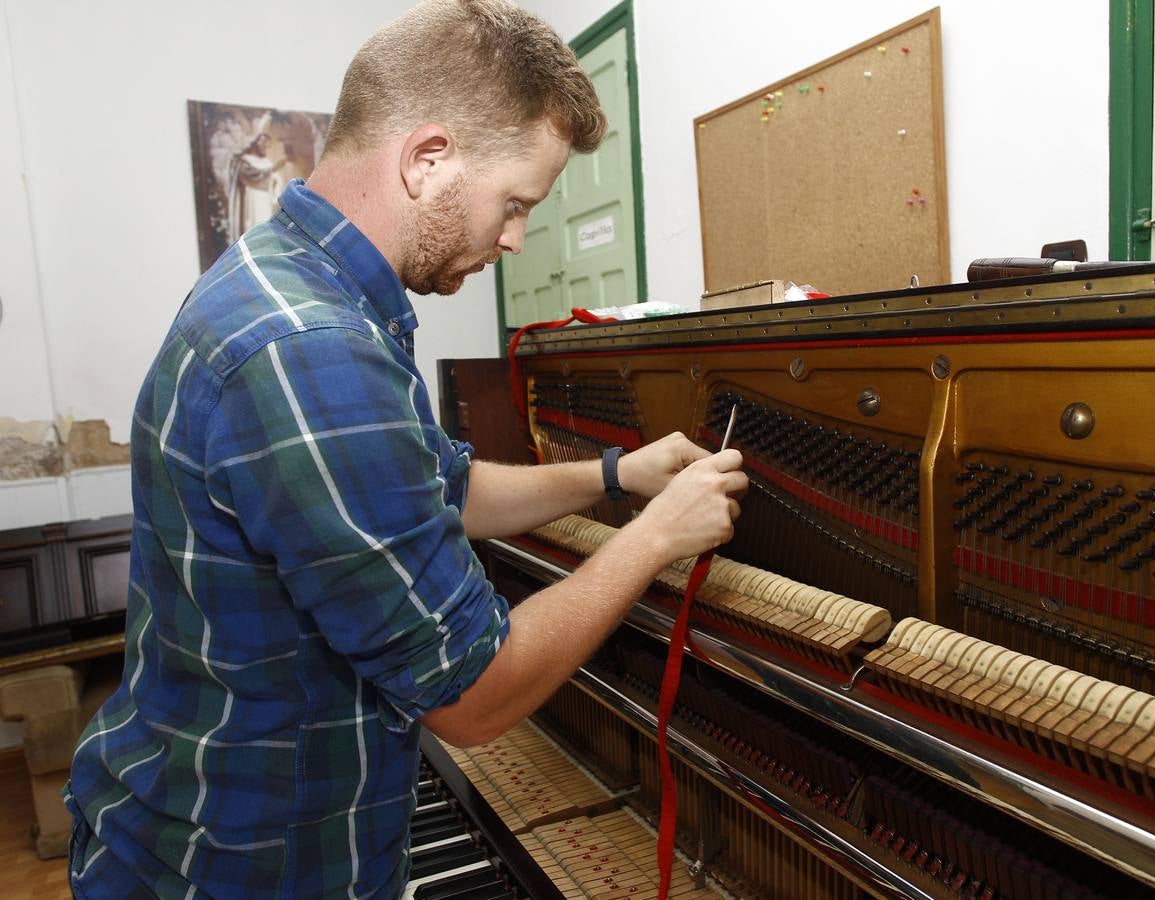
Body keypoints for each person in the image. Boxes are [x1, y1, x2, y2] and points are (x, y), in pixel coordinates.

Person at [63, 2, 747, 897]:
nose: (514, 239)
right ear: (427, 160)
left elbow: (440, 487)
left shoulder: (295, 281)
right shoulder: (310, 348)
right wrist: (657, 536)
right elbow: (474, 697)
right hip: (241, 867)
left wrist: (615, 475)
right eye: (515, 204)